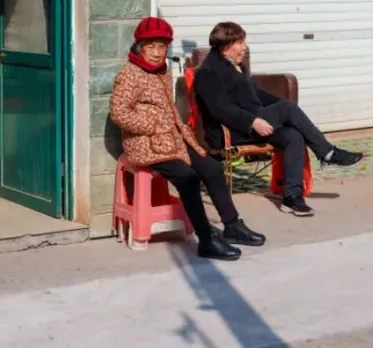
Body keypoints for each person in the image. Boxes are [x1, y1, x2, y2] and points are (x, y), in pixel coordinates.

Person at [109, 17, 265, 261]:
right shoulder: (130, 74)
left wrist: (177, 130)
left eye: (162, 47)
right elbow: (119, 113)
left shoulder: (161, 70)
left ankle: (232, 225)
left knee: (212, 168)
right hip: (146, 144)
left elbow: (168, 109)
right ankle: (206, 239)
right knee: (187, 177)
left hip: (172, 139)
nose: (156, 53)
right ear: (140, 47)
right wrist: (153, 125)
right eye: (151, 46)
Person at [193, 21, 363, 217]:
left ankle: (292, 197)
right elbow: (220, 110)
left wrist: (291, 114)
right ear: (226, 46)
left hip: (252, 123)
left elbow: (259, 95)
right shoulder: (207, 72)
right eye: (240, 43)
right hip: (230, 131)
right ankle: (328, 154)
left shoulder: (237, 67)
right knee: (288, 109)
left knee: (293, 135)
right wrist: (253, 121)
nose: (245, 47)